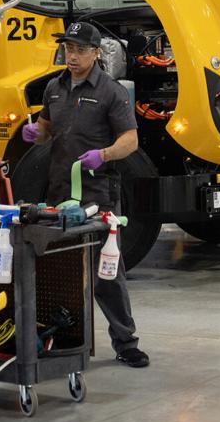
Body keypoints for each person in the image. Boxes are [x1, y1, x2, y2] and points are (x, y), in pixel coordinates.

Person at [21, 21, 149, 368]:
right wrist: (36, 132)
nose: (72, 55)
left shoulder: (111, 92)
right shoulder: (53, 88)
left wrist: (104, 155)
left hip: (98, 199)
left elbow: (130, 141)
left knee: (107, 274)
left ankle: (126, 342)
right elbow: (47, 129)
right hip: (59, 195)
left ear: (96, 53)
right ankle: (57, 336)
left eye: (80, 49)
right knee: (53, 270)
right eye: (68, 48)